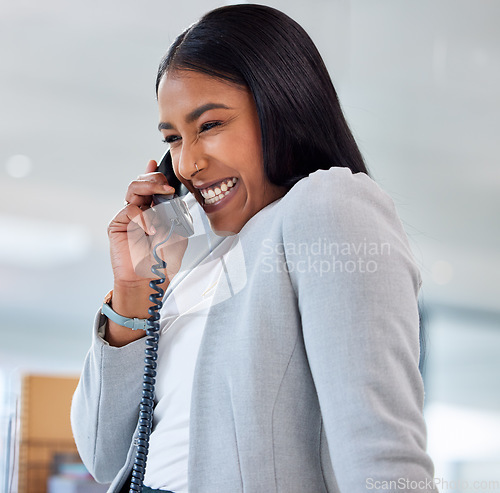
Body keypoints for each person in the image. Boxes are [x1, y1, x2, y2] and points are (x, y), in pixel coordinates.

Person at [71, 4, 437, 493]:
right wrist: (134, 290)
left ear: (280, 106)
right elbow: (105, 457)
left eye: (210, 125)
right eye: (173, 138)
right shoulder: (198, 266)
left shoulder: (328, 204)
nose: (186, 164)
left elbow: (381, 450)